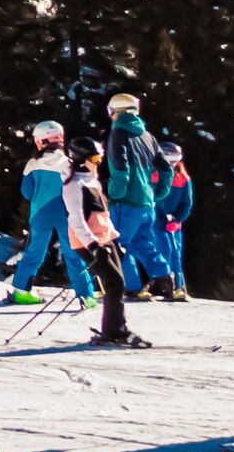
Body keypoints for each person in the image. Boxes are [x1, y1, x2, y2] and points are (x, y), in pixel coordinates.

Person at [68, 140, 137, 344]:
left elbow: (103, 215)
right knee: (114, 283)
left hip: (105, 239)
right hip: (87, 242)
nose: (99, 162)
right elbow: (76, 220)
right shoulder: (73, 185)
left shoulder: (93, 181)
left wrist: (115, 239)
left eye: (101, 158)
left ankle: (114, 329)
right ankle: (115, 332)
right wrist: (93, 245)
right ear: (81, 159)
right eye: (95, 158)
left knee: (118, 284)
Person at [102, 95, 167, 299]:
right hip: (146, 202)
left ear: (117, 111)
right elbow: (166, 169)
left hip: (127, 202)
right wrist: (157, 192)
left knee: (119, 244)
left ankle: (131, 287)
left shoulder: (118, 133)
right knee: (142, 243)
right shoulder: (147, 136)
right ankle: (165, 281)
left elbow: (121, 170)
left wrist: (114, 194)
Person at [6, 122, 75, 305]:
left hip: (40, 213)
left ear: (42, 141)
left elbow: (27, 191)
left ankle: (21, 291)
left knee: (34, 252)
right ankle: (86, 294)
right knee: (72, 251)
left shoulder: (33, 164)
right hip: (65, 213)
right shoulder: (69, 164)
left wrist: (40, 194)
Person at [150, 141, 194, 302]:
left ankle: (178, 286)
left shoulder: (183, 178)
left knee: (176, 252)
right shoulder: (153, 175)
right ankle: (161, 285)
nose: (173, 164)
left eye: (176, 160)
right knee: (163, 251)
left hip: (174, 223)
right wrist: (158, 216)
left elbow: (187, 203)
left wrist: (178, 219)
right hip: (156, 221)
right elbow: (151, 199)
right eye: (171, 160)